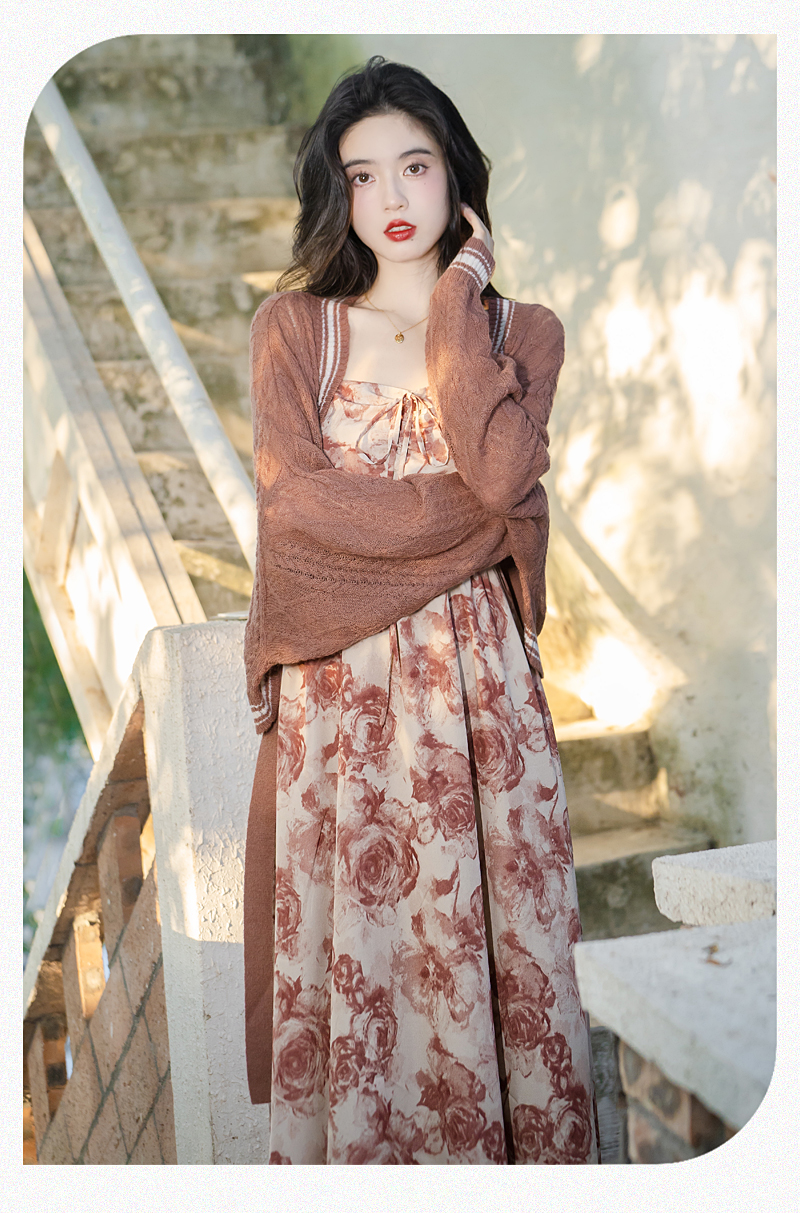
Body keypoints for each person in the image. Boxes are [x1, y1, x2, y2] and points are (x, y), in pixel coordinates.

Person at [242, 55, 599, 1166]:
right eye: (361, 177)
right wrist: (466, 531)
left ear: (456, 176)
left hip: (485, 714)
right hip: (343, 715)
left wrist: (457, 296)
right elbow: (296, 518)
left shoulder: (518, 332)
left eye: (415, 166)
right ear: (336, 194)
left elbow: (498, 475)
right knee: (371, 981)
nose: (391, 198)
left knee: (502, 972)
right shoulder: (294, 329)